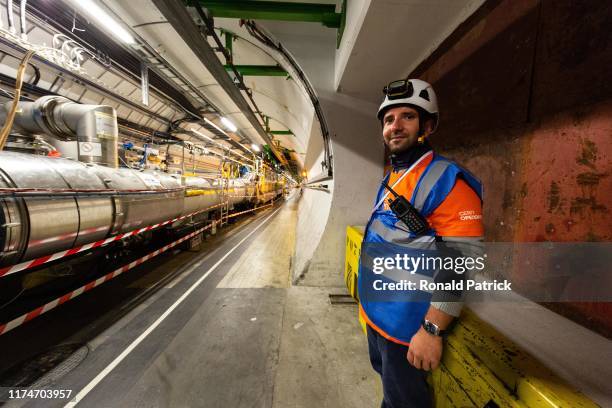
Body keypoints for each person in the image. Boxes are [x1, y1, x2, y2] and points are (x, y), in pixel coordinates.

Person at [357, 79, 484, 407]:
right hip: (376, 317)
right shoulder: (395, 176)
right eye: (388, 120)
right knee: (389, 392)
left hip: (407, 328)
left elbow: (462, 263)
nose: (395, 126)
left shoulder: (447, 181)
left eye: (407, 117)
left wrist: (431, 330)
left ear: (427, 125)